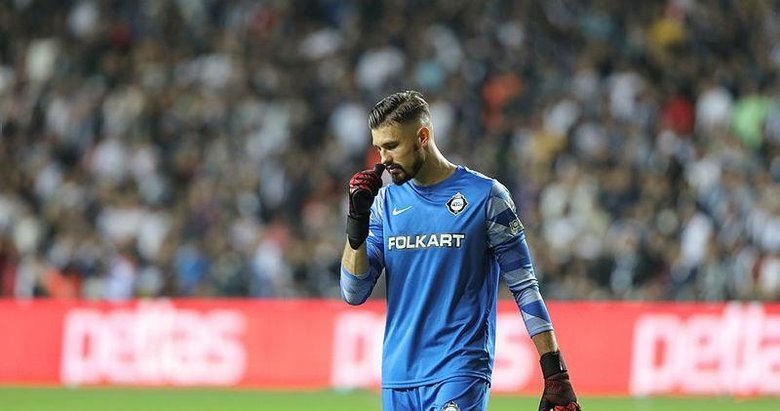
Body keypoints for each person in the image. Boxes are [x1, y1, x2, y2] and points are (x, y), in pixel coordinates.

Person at [340, 91, 581, 411]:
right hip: (399, 376)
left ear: (422, 137)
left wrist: (555, 371)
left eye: (392, 146)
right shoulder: (385, 203)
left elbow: (524, 286)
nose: (383, 159)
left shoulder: (486, 197)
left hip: (461, 369)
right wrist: (356, 223)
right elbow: (353, 291)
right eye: (379, 147)